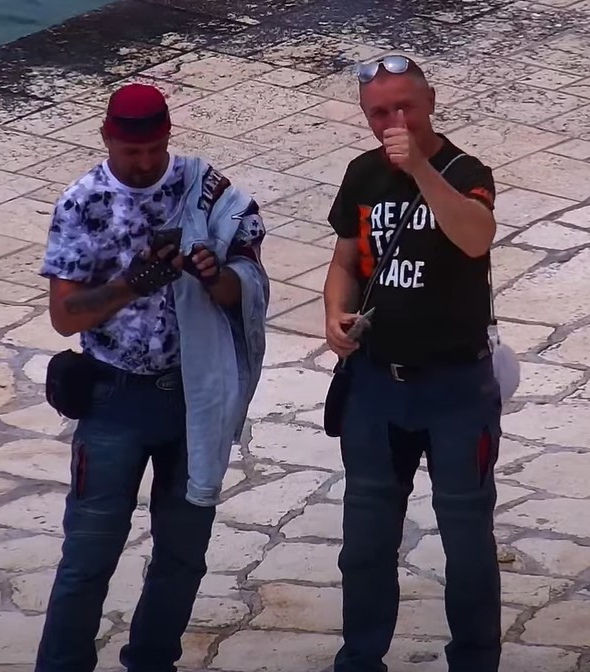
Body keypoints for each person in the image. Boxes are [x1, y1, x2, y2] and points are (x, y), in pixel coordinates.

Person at [36, 83, 269, 672]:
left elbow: (243, 287)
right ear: (107, 139)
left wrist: (215, 276)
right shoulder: (82, 203)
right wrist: (129, 284)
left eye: (154, 151)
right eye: (131, 152)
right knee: (88, 556)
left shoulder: (204, 188)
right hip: (113, 400)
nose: (144, 164)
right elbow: (64, 317)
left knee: (183, 554)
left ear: (168, 137)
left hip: (194, 396)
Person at [323, 56, 502, 672]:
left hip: (455, 387)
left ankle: (474, 661)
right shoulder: (362, 175)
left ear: (429, 103)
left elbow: (476, 236)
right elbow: (345, 261)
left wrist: (420, 168)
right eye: (380, 112)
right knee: (365, 542)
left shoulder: (466, 171)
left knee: (467, 539)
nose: (393, 120)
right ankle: (360, 657)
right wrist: (335, 313)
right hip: (378, 386)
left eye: (404, 106)